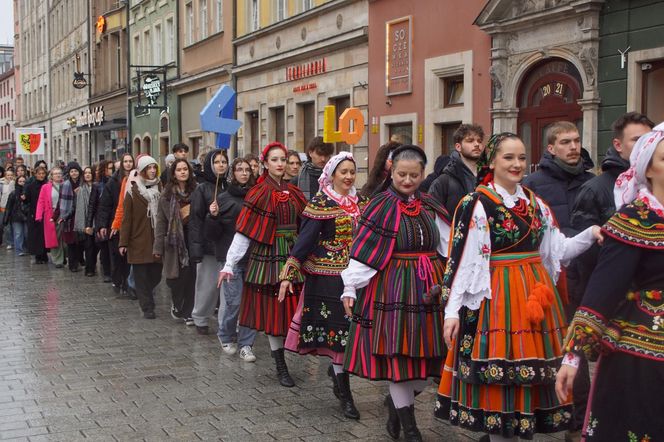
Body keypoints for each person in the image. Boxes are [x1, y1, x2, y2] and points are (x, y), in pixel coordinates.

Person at [435, 133, 602, 441]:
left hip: (535, 298)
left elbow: (558, 250)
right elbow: (464, 259)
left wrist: (591, 233)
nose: (516, 164)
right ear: (492, 162)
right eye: (508, 157)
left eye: (522, 158)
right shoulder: (478, 202)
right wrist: (452, 311)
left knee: (531, 379)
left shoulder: (534, 201)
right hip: (498, 298)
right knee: (502, 380)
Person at [556, 123, 664, 441]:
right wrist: (573, 357)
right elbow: (602, 292)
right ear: (649, 170)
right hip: (643, 354)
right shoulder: (633, 220)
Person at [345, 145, 452, 441]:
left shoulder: (430, 204)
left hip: (430, 287)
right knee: (400, 358)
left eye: (414, 175)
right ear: (391, 171)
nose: (407, 180)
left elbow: (448, 244)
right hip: (393, 287)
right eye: (402, 174)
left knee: (430, 361)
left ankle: (396, 406)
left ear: (423, 174)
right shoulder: (380, 205)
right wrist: (350, 286)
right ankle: (410, 427)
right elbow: (364, 250)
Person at [279, 152, 368, 419]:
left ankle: (339, 377)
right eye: (344, 172)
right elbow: (305, 240)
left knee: (355, 335)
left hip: (358, 275)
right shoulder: (321, 203)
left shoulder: (361, 200)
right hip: (328, 278)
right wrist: (289, 270)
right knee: (341, 338)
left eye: (352, 171)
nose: (349, 176)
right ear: (332, 174)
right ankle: (347, 396)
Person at [219, 142, 307, 387]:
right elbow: (244, 232)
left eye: (283, 160)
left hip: (292, 254)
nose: (280, 164)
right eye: (275, 160)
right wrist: (229, 263)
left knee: (295, 308)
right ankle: (280, 364)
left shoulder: (295, 192)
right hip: (269, 256)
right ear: (266, 163)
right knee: (273, 312)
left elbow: (308, 226)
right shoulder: (258, 193)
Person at [209, 158, 258, 362]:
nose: (244, 173)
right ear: (233, 173)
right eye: (239, 169)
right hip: (231, 257)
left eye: (247, 170)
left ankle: (246, 344)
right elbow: (212, 234)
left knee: (251, 304)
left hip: (255, 257)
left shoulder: (257, 196)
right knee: (234, 302)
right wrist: (212, 216)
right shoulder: (223, 198)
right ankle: (226, 334)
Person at [522, 121, 594, 236]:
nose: (573, 147)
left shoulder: (593, 182)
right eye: (565, 142)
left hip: (590, 252)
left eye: (577, 141)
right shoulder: (532, 184)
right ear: (551, 149)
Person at [154, 159, 197, 325]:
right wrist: (158, 247)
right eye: (179, 169)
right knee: (175, 279)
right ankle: (177, 303)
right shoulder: (167, 195)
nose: (183, 172)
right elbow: (161, 222)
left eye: (185, 169)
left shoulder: (197, 191)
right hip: (174, 242)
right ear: (173, 173)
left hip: (192, 238)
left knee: (190, 277)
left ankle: (188, 312)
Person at [189, 149, 228, 332]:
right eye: (217, 162)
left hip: (227, 244)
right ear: (209, 165)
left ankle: (225, 322)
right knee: (207, 285)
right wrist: (196, 247)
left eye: (224, 161)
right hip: (209, 245)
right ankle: (201, 317)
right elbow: (195, 220)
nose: (221, 165)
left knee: (227, 287)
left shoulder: (229, 186)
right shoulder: (202, 188)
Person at [119, 156, 162, 319]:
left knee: (156, 273)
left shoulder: (160, 187)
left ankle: (143, 292)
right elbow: (126, 219)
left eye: (154, 168)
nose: (152, 171)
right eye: (149, 168)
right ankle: (147, 307)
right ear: (142, 171)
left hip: (156, 238)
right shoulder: (132, 190)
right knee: (141, 275)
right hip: (138, 240)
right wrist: (123, 242)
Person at [429, 124, 485, 215]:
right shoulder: (443, 181)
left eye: (479, 141)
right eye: (470, 141)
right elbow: (431, 214)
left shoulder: (488, 177)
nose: (476, 144)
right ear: (458, 147)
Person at [99, 153, 134, 297]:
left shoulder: (136, 179)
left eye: (130, 161)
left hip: (131, 224)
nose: (127, 164)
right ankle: (118, 281)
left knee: (129, 257)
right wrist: (102, 225)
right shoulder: (113, 182)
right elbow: (105, 206)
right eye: (125, 161)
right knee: (118, 256)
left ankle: (128, 283)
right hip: (115, 224)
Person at [87, 160, 114, 281]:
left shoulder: (116, 182)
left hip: (112, 219)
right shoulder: (97, 185)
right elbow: (92, 205)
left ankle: (113, 272)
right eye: (109, 168)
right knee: (103, 247)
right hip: (101, 220)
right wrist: (89, 224)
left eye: (112, 168)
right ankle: (107, 272)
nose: (111, 171)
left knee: (112, 247)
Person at [35, 167, 66, 268]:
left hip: (65, 214)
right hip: (51, 215)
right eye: (55, 174)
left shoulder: (66, 185)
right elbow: (41, 202)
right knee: (54, 238)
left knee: (65, 237)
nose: (58, 175)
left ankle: (65, 255)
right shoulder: (45, 187)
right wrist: (39, 215)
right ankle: (58, 260)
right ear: (51, 176)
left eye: (59, 173)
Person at [60, 161, 85, 273]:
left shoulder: (83, 183)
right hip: (70, 217)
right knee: (71, 242)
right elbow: (62, 201)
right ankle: (72, 265)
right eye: (72, 171)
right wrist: (62, 216)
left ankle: (79, 260)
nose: (74, 173)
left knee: (80, 241)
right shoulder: (66, 184)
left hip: (81, 215)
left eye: (75, 171)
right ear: (69, 173)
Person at [74, 166, 97, 276]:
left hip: (97, 220)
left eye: (90, 173)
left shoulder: (97, 187)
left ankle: (93, 264)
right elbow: (80, 208)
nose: (88, 175)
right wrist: (84, 225)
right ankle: (89, 269)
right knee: (89, 246)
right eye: (86, 173)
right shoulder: (81, 189)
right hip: (86, 222)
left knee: (96, 246)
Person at [24, 166, 48, 264]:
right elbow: (27, 200)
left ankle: (44, 254)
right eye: (39, 174)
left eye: (43, 173)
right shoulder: (31, 186)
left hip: (45, 213)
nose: (41, 175)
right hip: (34, 213)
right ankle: (38, 255)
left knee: (44, 235)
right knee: (36, 236)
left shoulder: (47, 185)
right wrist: (24, 198)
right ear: (35, 174)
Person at [3, 175, 29, 256]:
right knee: (18, 233)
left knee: (26, 233)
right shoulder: (13, 194)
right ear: (17, 182)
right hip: (16, 217)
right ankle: (19, 250)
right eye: (20, 181)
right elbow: (9, 207)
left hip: (26, 215)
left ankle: (26, 249)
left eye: (24, 181)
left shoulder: (28, 193)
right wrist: (6, 219)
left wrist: (25, 199)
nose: (22, 183)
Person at [0, 167, 15, 248]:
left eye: (11, 175)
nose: (9, 177)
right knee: (6, 227)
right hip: (4, 208)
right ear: (5, 176)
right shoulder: (2, 185)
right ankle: (10, 242)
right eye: (8, 175)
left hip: (13, 208)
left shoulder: (15, 183)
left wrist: (12, 183)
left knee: (14, 226)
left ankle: (14, 242)